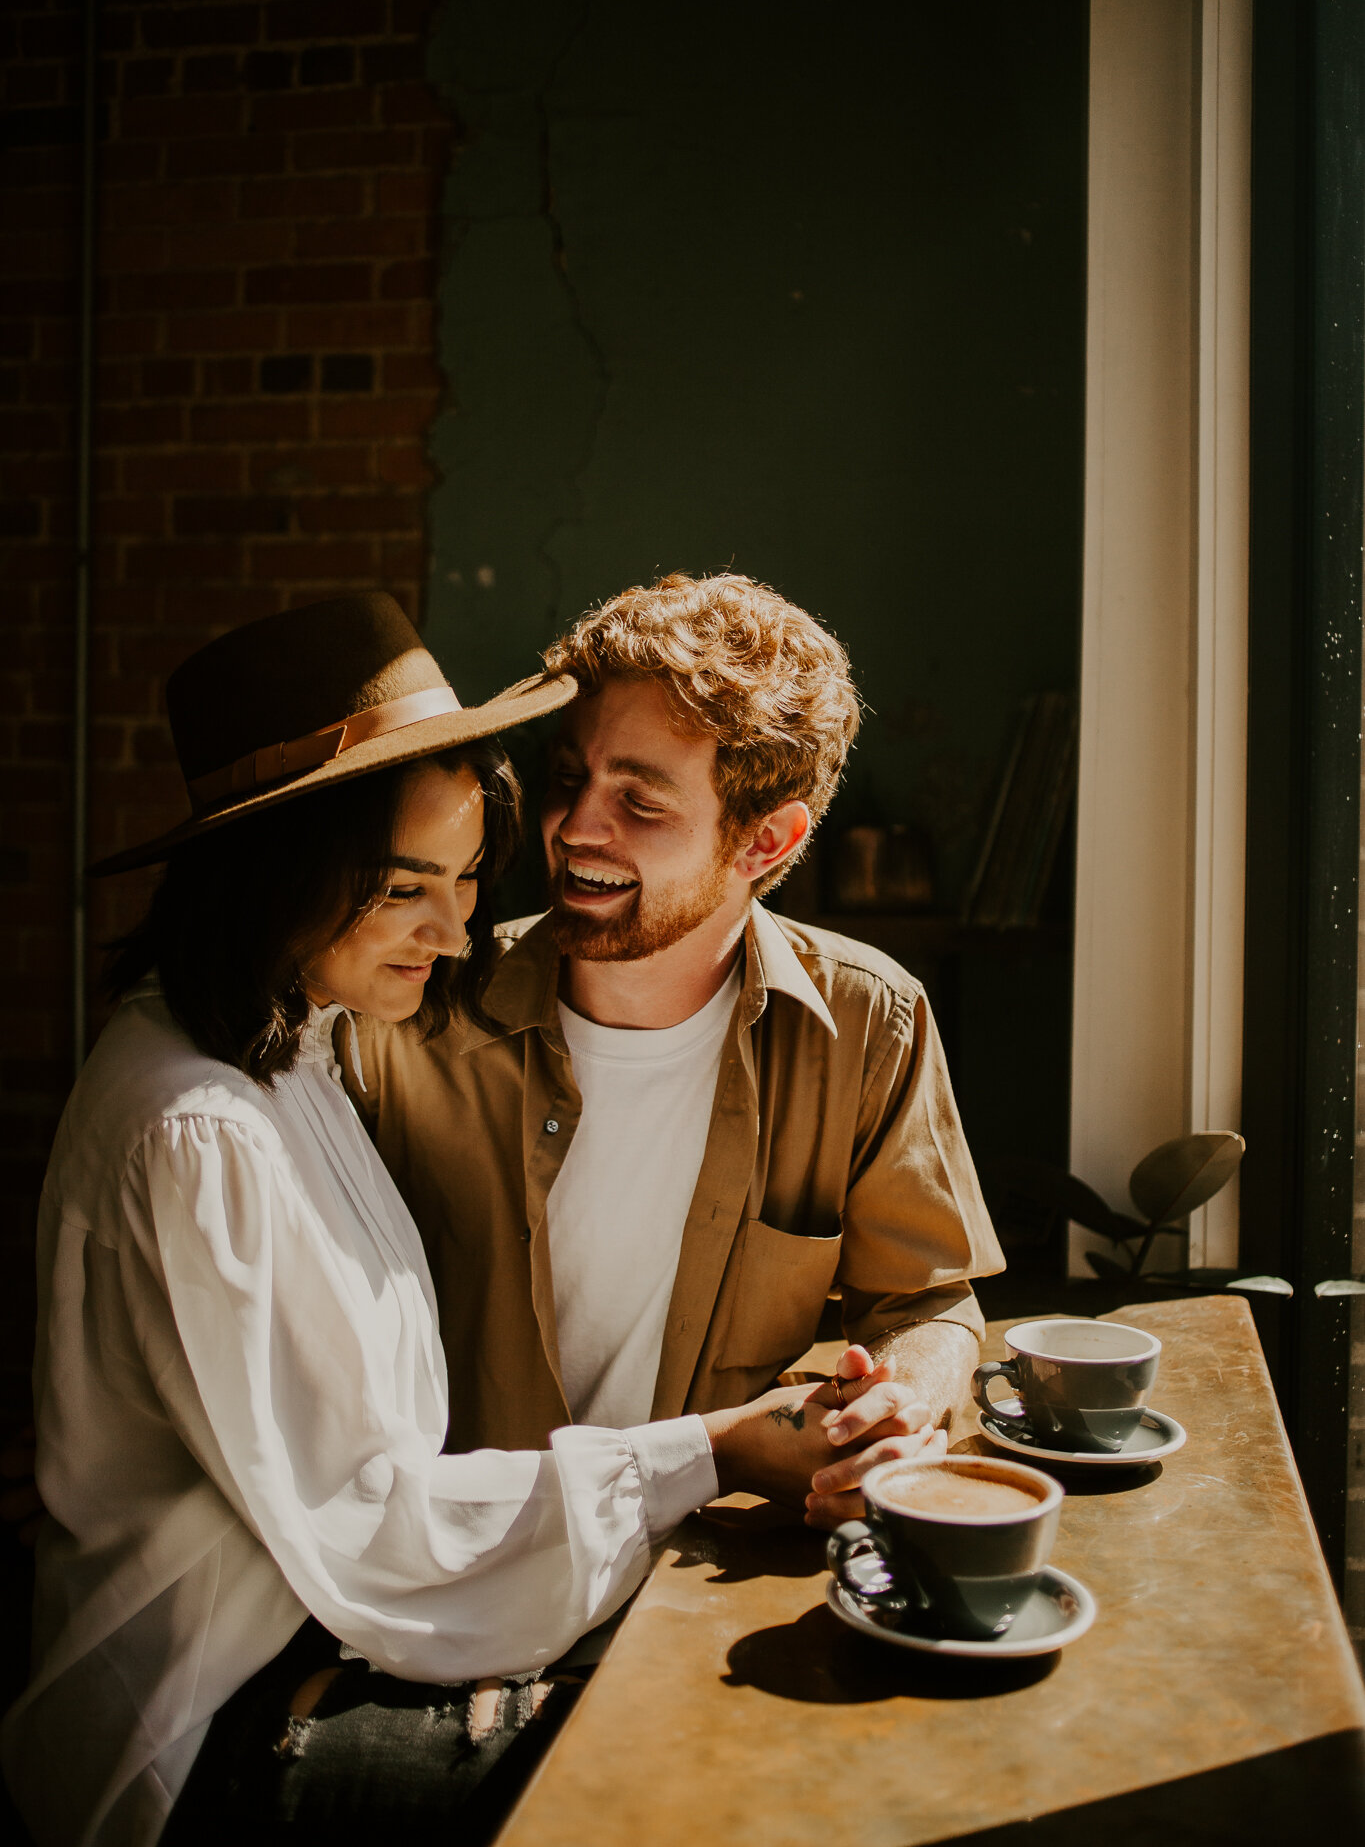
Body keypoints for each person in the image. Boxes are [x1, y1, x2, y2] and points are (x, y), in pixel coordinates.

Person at [0, 594, 936, 1847]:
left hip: (376, 1624)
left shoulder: (310, 1042)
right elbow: (373, 1529)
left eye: (461, 880)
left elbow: (930, 1297)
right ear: (278, 868)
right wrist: (709, 1450)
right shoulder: (211, 1122)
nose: (456, 934)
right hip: (218, 1714)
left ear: (768, 842)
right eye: (403, 889)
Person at [350, 572, 1006, 1521]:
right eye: (569, 777)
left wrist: (899, 1401)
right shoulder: (419, 1006)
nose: (576, 827)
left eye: (641, 802)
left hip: (695, 1585)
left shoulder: (868, 1022)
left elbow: (928, 1301)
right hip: (454, 1569)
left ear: (765, 842)